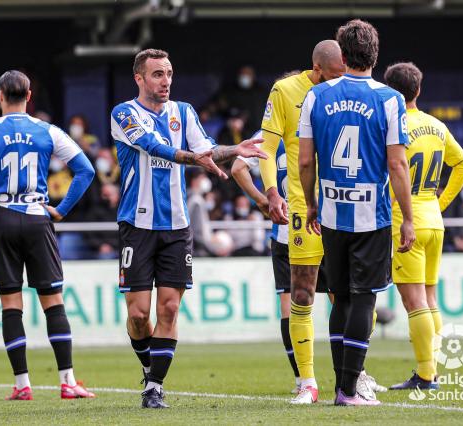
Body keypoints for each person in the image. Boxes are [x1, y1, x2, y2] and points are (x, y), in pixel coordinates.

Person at [111, 48, 266, 409]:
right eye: (156, 75)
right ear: (139, 78)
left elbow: (207, 150)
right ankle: (151, 367)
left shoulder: (184, 112)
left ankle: (154, 387)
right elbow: (153, 146)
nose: (165, 81)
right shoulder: (124, 113)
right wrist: (193, 158)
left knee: (167, 310)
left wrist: (233, 149)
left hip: (178, 226)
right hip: (137, 223)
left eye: (168, 73)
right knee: (138, 314)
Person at [0, 70, 97, 401]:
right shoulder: (47, 131)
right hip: (36, 215)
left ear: (0, 96)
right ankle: (68, 382)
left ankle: (22, 385)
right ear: (29, 96)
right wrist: (62, 208)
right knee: (52, 302)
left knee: (11, 304)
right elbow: (86, 170)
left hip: (1, 217)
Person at [298, 20, 416, 406]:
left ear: (343, 55)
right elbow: (397, 166)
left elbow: (303, 161)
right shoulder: (390, 99)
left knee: (340, 297)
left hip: (331, 213)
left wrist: (312, 202)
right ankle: (350, 390)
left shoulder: (316, 97)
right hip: (373, 216)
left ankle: (340, 386)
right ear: (375, 54)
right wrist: (409, 218)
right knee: (365, 299)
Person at [259, 40, 345, 404]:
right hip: (302, 208)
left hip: (346, 208)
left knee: (349, 297)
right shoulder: (285, 90)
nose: (342, 80)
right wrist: (270, 192)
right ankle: (307, 381)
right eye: (336, 73)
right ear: (317, 67)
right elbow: (265, 146)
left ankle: (353, 376)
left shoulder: (350, 91)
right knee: (302, 295)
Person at [383, 62, 463, 390]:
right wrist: (440, 203)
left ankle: (425, 375)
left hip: (405, 221)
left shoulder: (393, 126)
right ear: (418, 90)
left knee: (413, 301)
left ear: (390, 91)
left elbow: (393, 168)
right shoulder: (436, 125)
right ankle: (431, 370)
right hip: (433, 220)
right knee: (430, 298)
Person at [232, 130, 302, 392]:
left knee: (290, 308)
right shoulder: (319, 115)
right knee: (338, 298)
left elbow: (238, 167)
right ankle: (352, 375)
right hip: (321, 225)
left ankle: (302, 379)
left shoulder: (267, 133)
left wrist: (262, 200)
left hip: (284, 230)